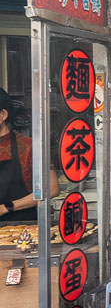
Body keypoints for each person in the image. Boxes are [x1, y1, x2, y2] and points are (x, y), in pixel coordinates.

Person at [0, 88, 57, 222]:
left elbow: (52, 188)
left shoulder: (30, 146)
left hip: (23, 228)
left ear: (3, 114)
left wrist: (6, 207)